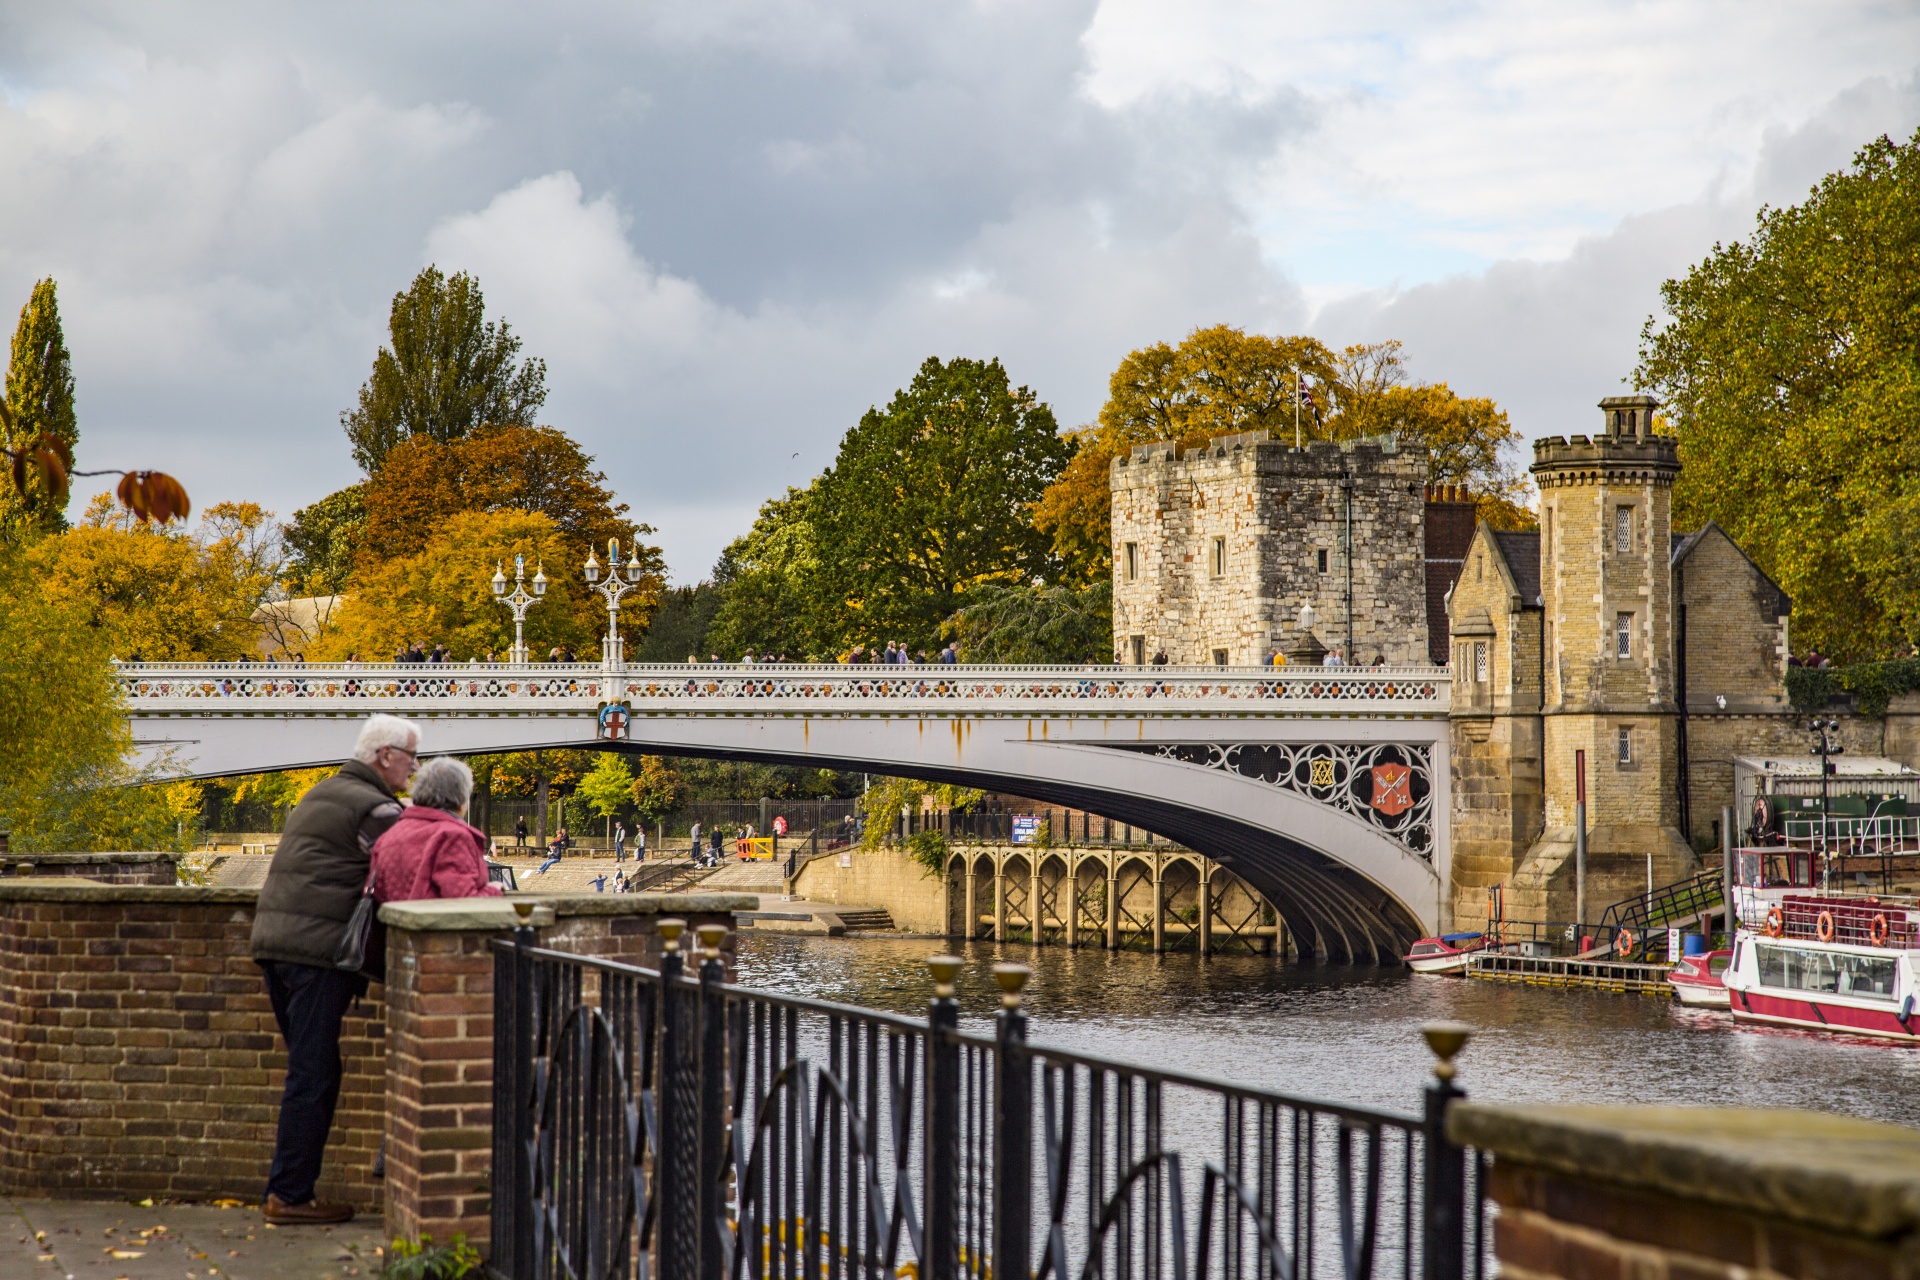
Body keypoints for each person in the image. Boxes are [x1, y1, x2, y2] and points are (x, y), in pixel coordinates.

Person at [249, 713, 419, 1225]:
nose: (414, 769)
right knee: (313, 1073)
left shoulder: (324, 790)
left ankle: (291, 1189)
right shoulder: (376, 809)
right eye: (411, 758)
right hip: (316, 953)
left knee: (312, 1068)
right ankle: (289, 1196)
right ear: (385, 756)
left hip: (276, 943)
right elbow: (406, 872)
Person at [369, 757, 501, 904]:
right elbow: (465, 903)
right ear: (460, 795)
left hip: (394, 925)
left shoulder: (391, 834)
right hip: (435, 926)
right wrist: (494, 890)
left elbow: (378, 893)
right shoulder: (452, 836)